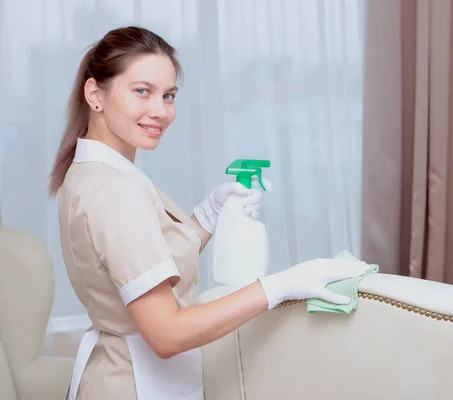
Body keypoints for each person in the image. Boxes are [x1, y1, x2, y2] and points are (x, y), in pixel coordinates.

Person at [48, 26, 368, 400]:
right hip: (135, 385)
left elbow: (139, 267)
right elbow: (166, 333)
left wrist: (208, 215)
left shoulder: (92, 171)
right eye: (142, 91)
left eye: (168, 95)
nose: (160, 111)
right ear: (95, 94)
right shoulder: (117, 189)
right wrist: (281, 286)